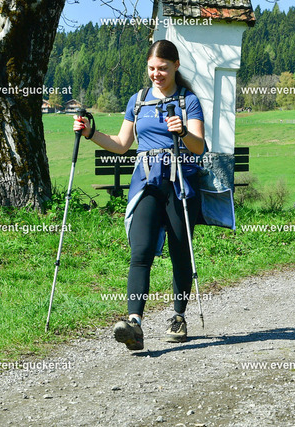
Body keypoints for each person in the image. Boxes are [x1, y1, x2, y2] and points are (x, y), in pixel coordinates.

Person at [73, 40, 207, 350]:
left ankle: (178, 317)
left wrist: (183, 131)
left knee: (180, 251)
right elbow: (122, 144)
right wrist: (91, 133)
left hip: (180, 183)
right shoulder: (139, 100)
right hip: (147, 182)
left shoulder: (188, 101)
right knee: (141, 250)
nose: (156, 74)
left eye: (163, 68)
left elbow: (199, 146)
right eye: (151, 68)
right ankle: (134, 324)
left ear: (175, 66)